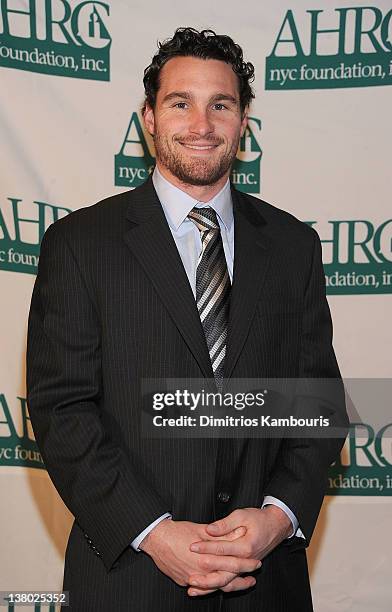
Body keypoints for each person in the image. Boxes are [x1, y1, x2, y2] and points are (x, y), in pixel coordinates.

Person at [27, 27, 348, 612]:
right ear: (149, 117)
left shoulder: (293, 245)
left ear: (243, 120)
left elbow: (318, 404)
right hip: (128, 580)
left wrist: (277, 519)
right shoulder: (80, 244)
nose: (201, 125)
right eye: (181, 103)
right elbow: (63, 411)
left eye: (220, 105)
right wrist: (155, 532)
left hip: (264, 583)